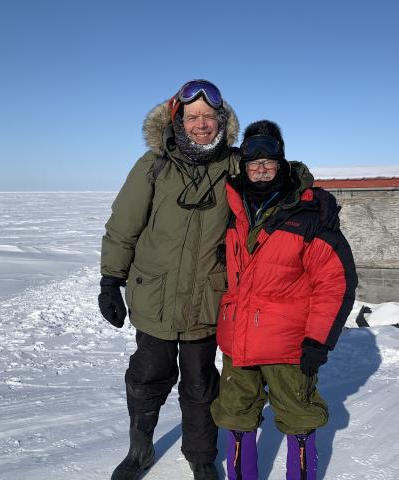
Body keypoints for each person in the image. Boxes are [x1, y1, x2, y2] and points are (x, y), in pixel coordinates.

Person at [98, 81, 338, 480]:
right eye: (193, 117)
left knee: (201, 384)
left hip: (208, 299)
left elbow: (274, 177)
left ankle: (201, 456)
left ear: (222, 122)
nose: (202, 124)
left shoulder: (231, 164)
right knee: (147, 376)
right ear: (179, 120)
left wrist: (313, 196)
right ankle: (139, 450)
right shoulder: (154, 164)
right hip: (154, 295)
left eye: (209, 116)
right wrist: (111, 278)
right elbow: (123, 226)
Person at [210, 120, 357, 480]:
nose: (260, 169)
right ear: (242, 164)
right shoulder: (230, 207)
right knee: (236, 416)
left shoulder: (307, 214)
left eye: (269, 161)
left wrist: (318, 340)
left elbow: (334, 281)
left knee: (299, 418)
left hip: (288, 346)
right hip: (238, 341)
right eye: (252, 161)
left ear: (282, 162)